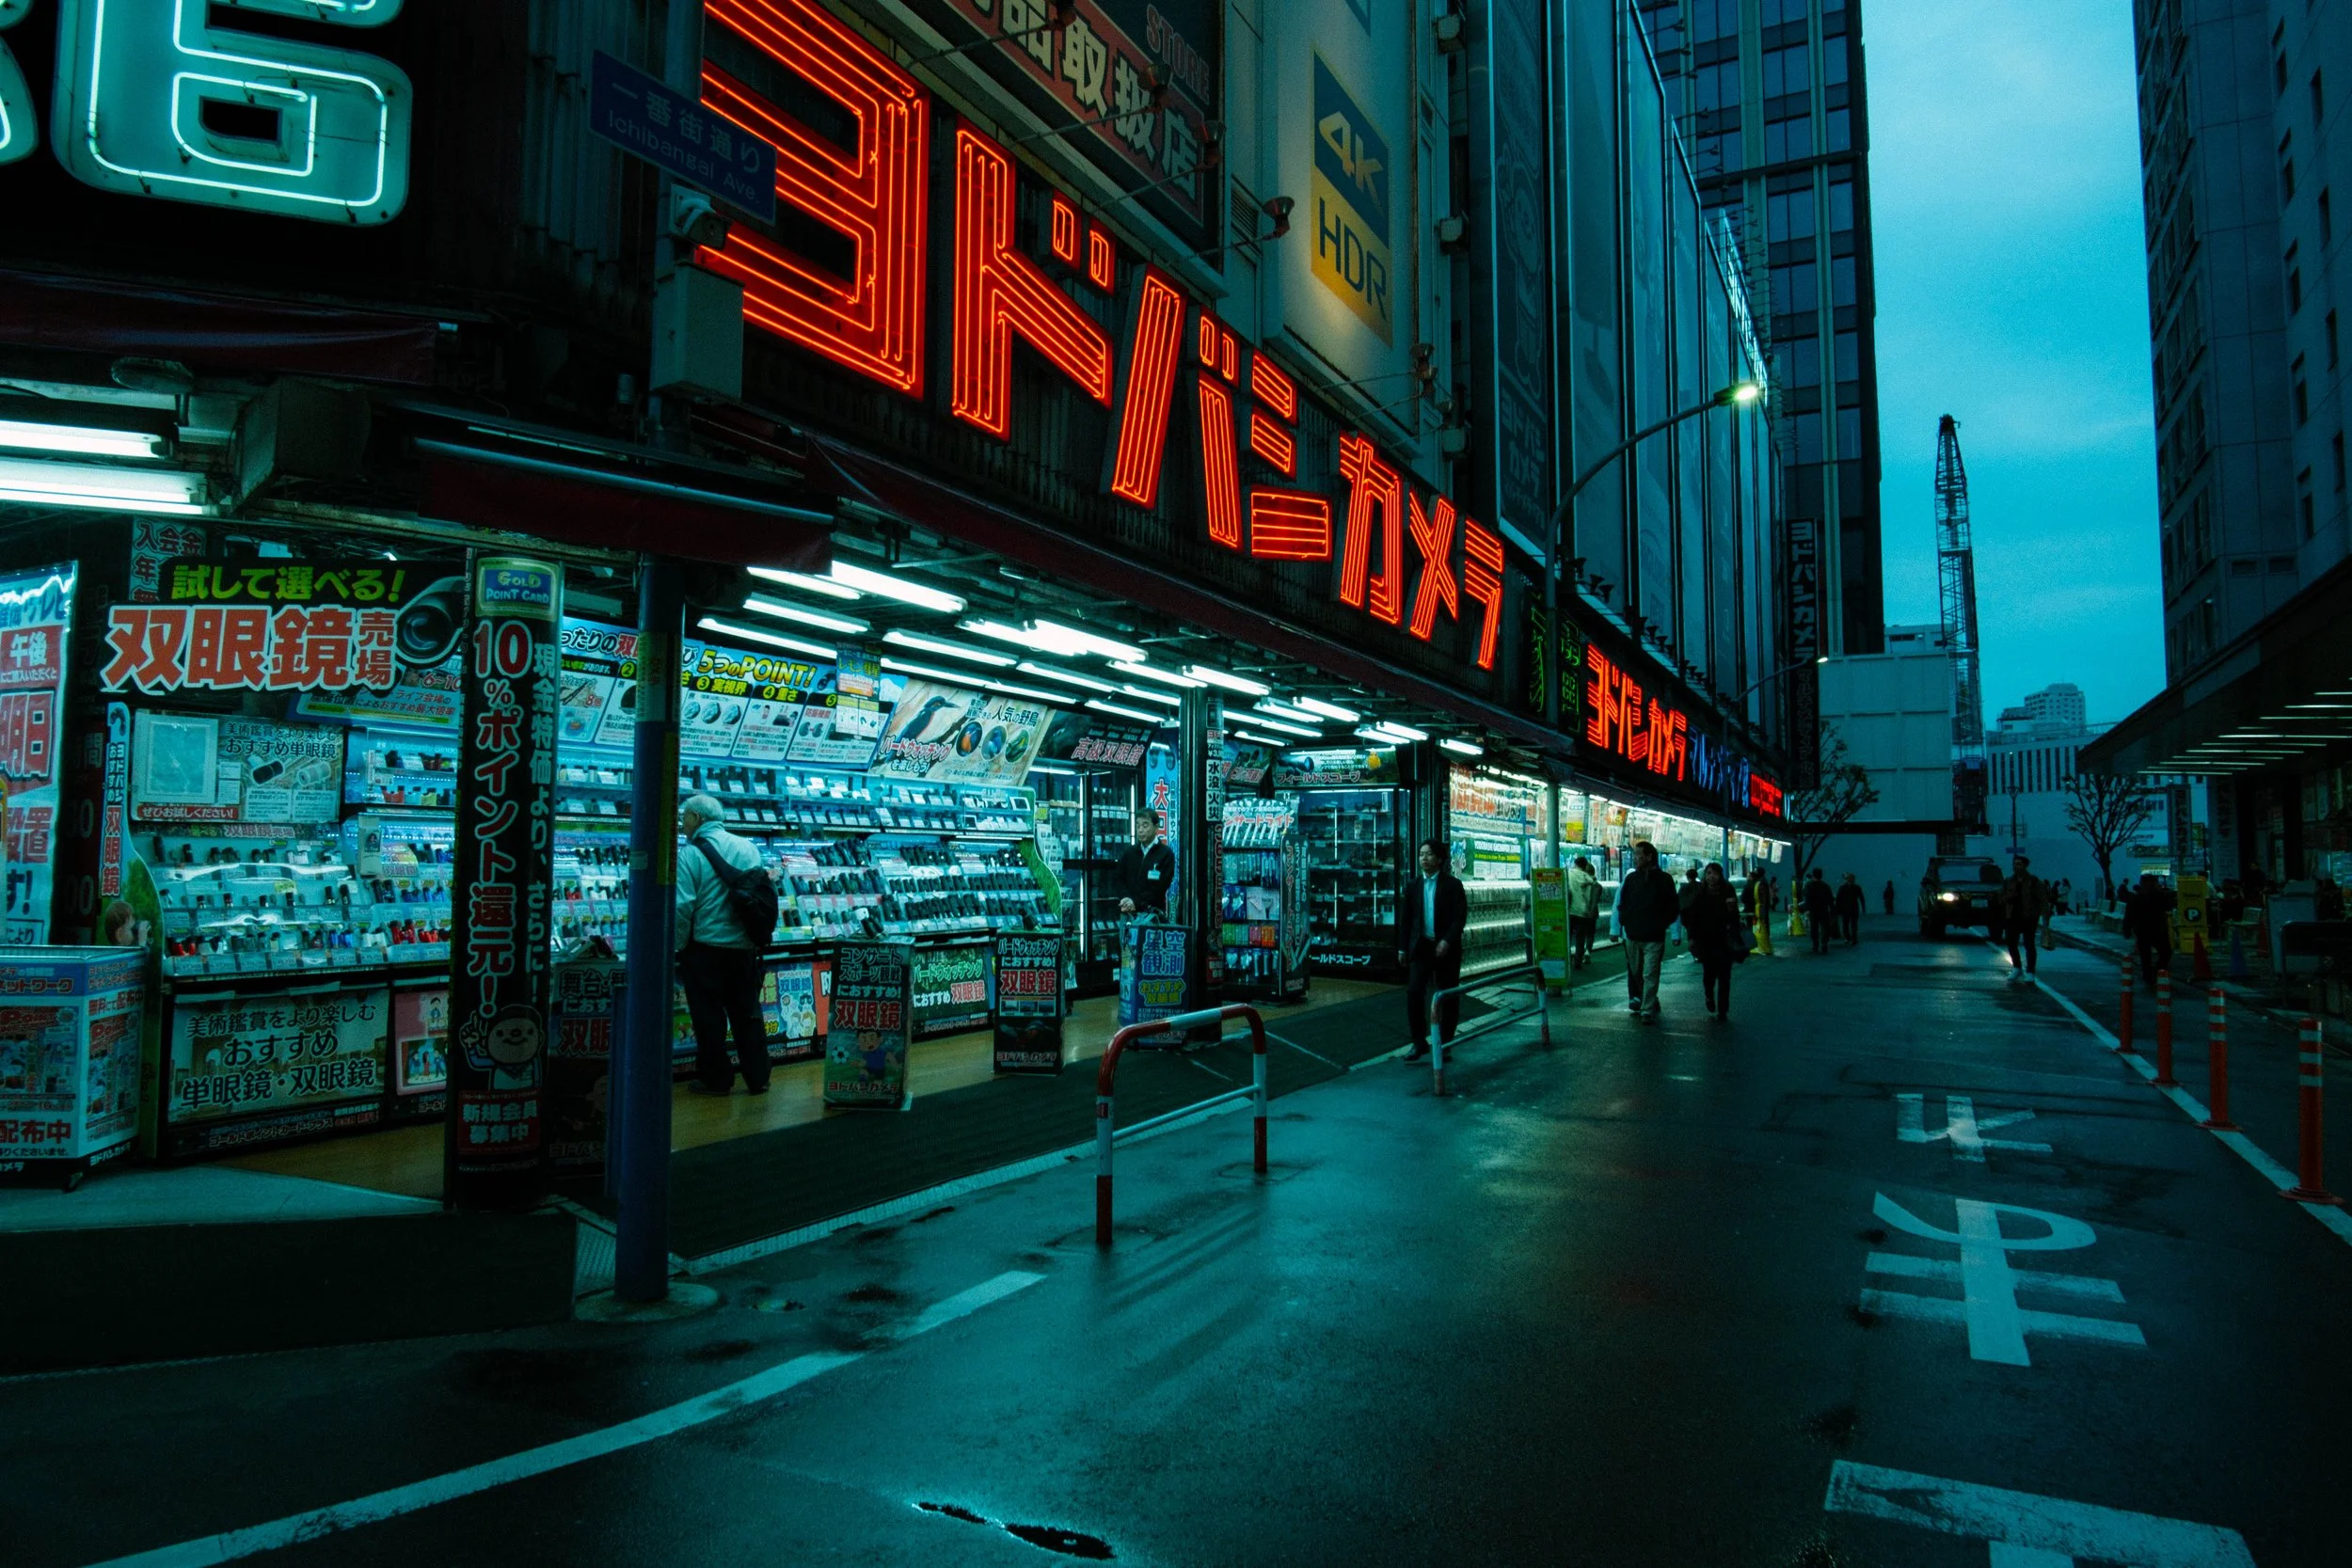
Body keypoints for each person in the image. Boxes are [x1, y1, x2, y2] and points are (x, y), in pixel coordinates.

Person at [675, 793, 772, 1095]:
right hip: (743, 949)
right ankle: (758, 1077)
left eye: (684, 817)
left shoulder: (690, 855)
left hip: (705, 949)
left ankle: (717, 1080)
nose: (682, 824)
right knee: (747, 1015)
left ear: (697, 818)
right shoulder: (748, 848)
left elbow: (682, 905)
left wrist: (679, 945)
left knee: (709, 1018)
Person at [1400, 839, 1468, 1060]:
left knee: (1448, 994)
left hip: (1447, 949)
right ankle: (1419, 1042)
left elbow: (1459, 918)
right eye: (1421, 854)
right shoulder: (1413, 886)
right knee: (1414, 992)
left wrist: (1447, 940)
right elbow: (1406, 920)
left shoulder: (1453, 885)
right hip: (1421, 947)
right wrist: (1402, 948)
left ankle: (1445, 1043)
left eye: (1428, 854)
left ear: (1439, 859)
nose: (1424, 858)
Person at [1616, 840, 1681, 1022]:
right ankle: (1651, 998)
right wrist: (1624, 921)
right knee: (1637, 973)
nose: (1635, 858)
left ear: (1649, 856)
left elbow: (1673, 906)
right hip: (1633, 935)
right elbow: (1622, 903)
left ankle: (1647, 1009)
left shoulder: (1665, 880)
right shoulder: (1631, 879)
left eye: (1638, 854)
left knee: (1650, 973)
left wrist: (1663, 924)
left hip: (1654, 937)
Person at [1683, 862, 1743, 1022]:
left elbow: (1734, 914)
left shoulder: (1727, 890)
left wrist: (1733, 927)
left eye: (1715, 873)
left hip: (1724, 939)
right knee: (1708, 974)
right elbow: (1693, 917)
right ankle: (1709, 995)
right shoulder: (1700, 892)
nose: (1712, 877)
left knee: (1724, 976)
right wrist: (1692, 938)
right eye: (1709, 873)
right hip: (1706, 940)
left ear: (1720, 875)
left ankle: (1723, 1009)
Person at [1111, 807, 1176, 919]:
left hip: (1152, 915)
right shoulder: (1129, 852)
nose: (1140, 830)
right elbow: (1118, 879)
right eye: (1138, 826)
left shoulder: (1166, 854)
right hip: (1128, 912)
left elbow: (1160, 887)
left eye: (1145, 826)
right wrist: (1125, 898)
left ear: (1156, 827)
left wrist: (1136, 903)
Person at [2121, 871, 2177, 988]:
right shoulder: (2158, 896)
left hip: (2143, 930)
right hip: (2157, 929)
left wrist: (2127, 929)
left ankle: (2149, 976)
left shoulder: (2136, 898)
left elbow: (2129, 916)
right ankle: (2157, 973)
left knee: (2146, 955)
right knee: (2165, 952)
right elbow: (2169, 905)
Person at [1998, 853, 2048, 984]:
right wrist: (2009, 897)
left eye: (2019, 864)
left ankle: (2030, 971)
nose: (2016, 866)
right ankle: (2017, 967)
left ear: (2025, 866)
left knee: (2029, 944)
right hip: (2012, 916)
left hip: (2029, 917)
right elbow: (2001, 898)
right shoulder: (2009, 881)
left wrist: (2045, 918)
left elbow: (2043, 900)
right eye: (2014, 864)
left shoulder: (2034, 881)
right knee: (2011, 942)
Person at [1565, 855, 1602, 968]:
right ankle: (1578, 961)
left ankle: (1566, 959)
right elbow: (1595, 885)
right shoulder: (1587, 877)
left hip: (1570, 910)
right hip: (1583, 912)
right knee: (1580, 938)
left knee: (1567, 936)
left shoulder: (1569, 873)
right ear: (1585, 866)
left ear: (1575, 864)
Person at [1743, 868, 1777, 957]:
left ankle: (1758, 944)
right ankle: (1763, 942)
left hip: (1754, 908)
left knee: (1755, 926)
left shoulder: (1757, 883)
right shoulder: (1761, 882)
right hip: (1760, 907)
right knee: (1761, 925)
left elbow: (1744, 898)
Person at [1802, 868, 1836, 954]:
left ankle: (1815, 945)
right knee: (1824, 927)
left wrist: (1807, 909)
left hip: (1813, 910)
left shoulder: (1809, 885)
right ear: (1821, 875)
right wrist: (1832, 910)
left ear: (1813, 875)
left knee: (1814, 927)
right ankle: (1824, 944)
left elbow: (1806, 898)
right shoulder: (1825, 886)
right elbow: (1830, 899)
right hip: (1823, 909)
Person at [1836, 872, 1866, 945]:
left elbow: (1838, 899)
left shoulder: (1842, 887)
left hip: (1845, 909)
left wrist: (1837, 909)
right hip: (1854, 908)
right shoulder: (1857, 887)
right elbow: (1861, 898)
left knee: (1845, 924)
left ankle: (1847, 938)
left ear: (1847, 879)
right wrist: (1863, 908)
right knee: (1854, 925)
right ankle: (1854, 939)